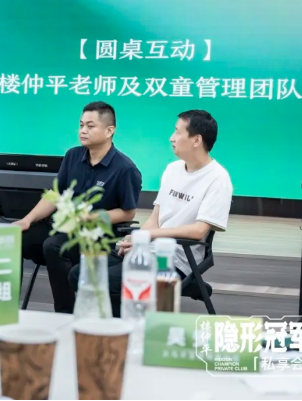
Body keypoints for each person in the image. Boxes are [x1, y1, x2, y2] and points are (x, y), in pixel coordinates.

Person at [88, 109, 232, 316]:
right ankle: (120, 326)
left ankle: (127, 329)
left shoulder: (218, 178)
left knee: (106, 281)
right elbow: (155, 217)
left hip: (177, 259)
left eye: (178, 132)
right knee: (82, 273)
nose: (171, 138)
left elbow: (199, 231)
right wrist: (136, 240)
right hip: (149, 249)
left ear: (196, 140)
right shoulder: (172, 169)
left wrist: (147, 236)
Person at [13, 101, 142, 314]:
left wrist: (92, 217)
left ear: (109, 130)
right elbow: (55, 195)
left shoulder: (125, 168)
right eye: (81, 125)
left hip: (97, 235)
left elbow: (128, 212)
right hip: (65, 227)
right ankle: (7, 306)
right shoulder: (73, 155)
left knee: (54, 246)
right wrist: (27, 219)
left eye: (90, 126)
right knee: (15, 237)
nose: (83, 131)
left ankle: (65, 313)